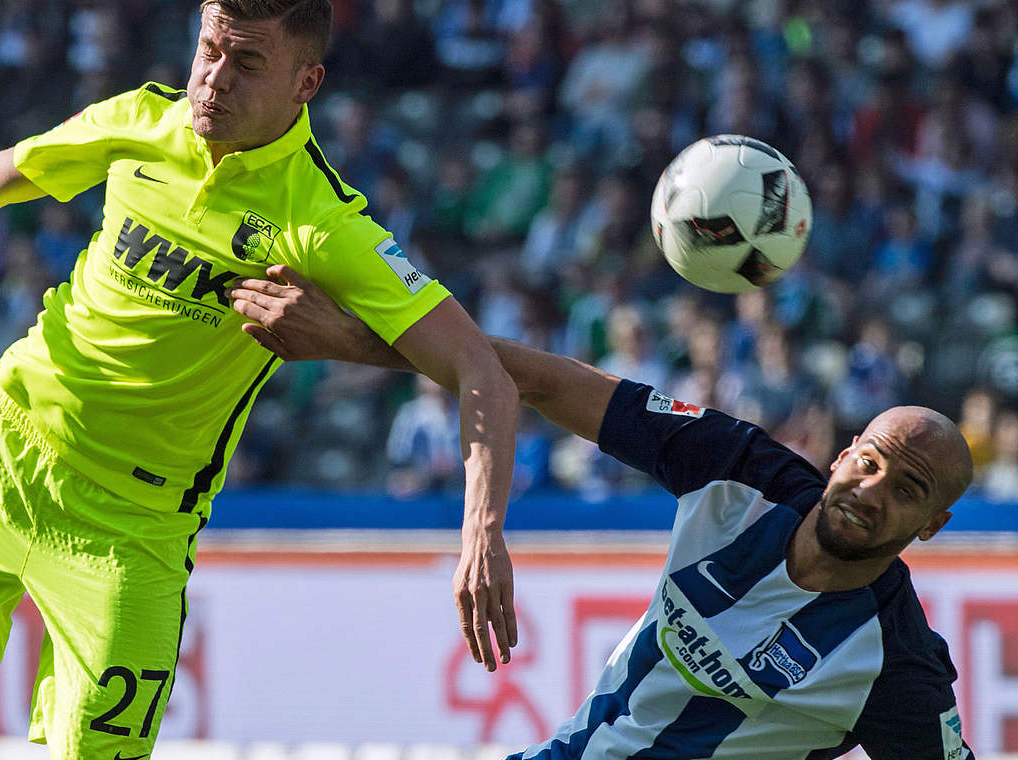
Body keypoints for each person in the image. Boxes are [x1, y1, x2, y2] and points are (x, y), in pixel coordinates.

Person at [0, 2, 521, 758]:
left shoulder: (324, 220)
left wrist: (480, 532)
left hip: (131, 527)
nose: (214, 79)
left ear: (307, 82)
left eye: (246, 62)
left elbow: (480, 366)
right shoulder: (139, 120)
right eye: (208, 49)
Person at [230, 267, 975, 759]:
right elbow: (546, 382)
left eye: (907, 490)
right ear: (843, 454)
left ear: (931, 525)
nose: (872, 490)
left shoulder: (894, 661)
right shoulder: (737, 466)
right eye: (870, 463)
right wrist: (349, 342)